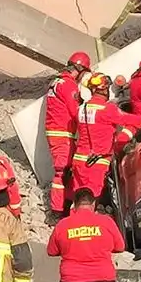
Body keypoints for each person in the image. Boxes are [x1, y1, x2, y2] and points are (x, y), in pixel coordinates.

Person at [73, 73, 141, 202]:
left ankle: (73, 220)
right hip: (97, 163)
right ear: (103, 89)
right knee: (90, 201)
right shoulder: (107, 109)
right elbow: (129, 119)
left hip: (79, 160)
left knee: (78, 199)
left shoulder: (81, 109)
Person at [44, 52, 93, 220]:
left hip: (57, 132)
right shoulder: (68, 85)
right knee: (62, 171)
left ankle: (62, 205)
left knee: (65, 171)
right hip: (62, 133)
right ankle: (58, 211)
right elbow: (75, 112)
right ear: (79, 69)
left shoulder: (56, 82)